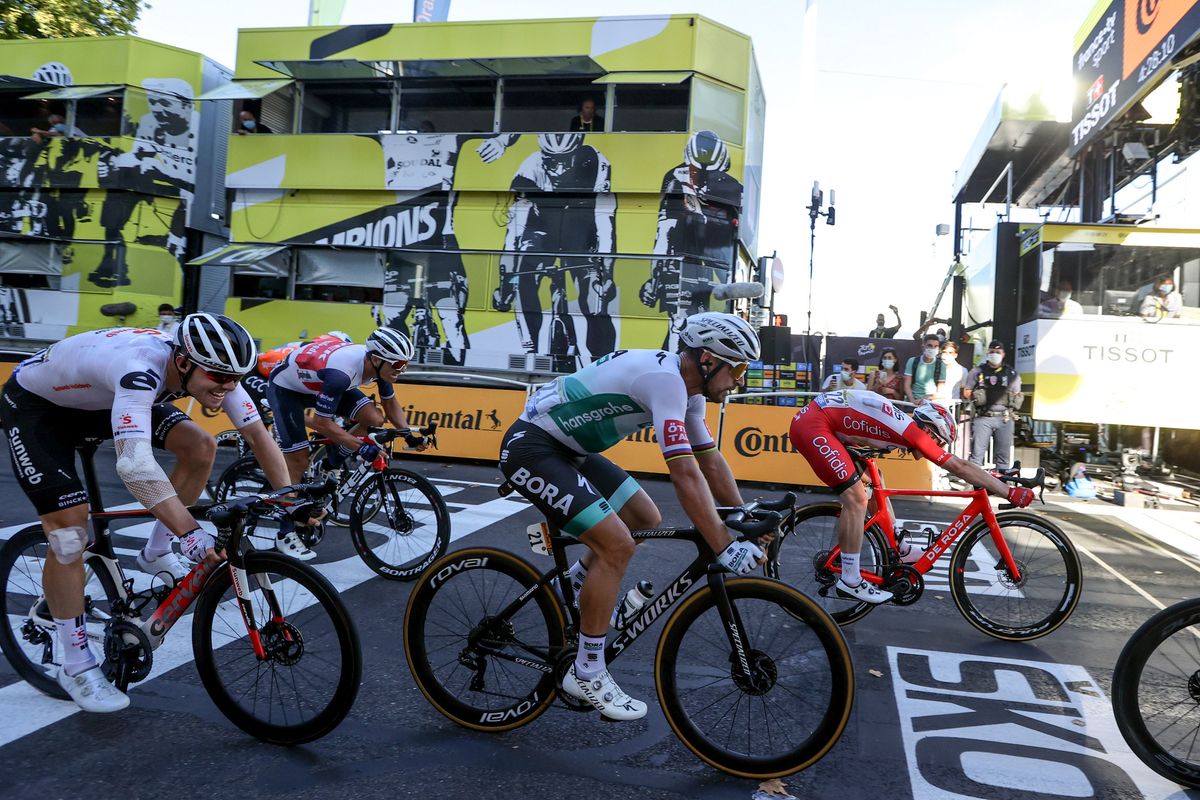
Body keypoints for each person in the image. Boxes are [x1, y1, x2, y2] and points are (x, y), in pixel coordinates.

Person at [0, 314, 295, 712]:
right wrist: (190, 533)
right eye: (218, 376)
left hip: (97, 399)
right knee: (69, 534)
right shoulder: (140, 368)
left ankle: (156, 552)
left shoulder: (215, 374)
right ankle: (76, 665)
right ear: (184, 362)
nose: (226, 387)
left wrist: (291, 500)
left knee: (200, 446)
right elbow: (134, 467)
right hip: (39, 408)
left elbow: (258, 435)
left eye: (234, 378)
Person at [499, 312, 763, 721]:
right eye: (739, 367)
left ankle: (580, 586)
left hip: (571, 451)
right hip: (531, 447)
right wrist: (724, 545)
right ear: (708, 360)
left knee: (643, 516)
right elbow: (684, 472)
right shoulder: (665, 382)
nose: (740, 380)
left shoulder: (688, 392)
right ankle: (586, 671)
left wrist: (741, 517)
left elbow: (709, 460)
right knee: (616, 545)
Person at [788, 390, 1034, 603]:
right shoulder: (912, 432)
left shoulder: (905, 426)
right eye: (939, 440)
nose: (938, 447)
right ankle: (850, 580)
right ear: (928, 429)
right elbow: (958, 467)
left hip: (821, 421)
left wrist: (994, 479)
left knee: (876, 479)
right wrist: (1009, 492)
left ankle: (899, 547)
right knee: (856, 500)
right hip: (813, 425)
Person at [266, 327, 421, 559]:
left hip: (318, 383)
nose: (403, 369)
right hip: (286, 390)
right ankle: (284, 533)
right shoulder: (342, 373)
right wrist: (360, 446)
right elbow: (323, 422)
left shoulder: (379, 366)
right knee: (298, 460)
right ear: (377, 359)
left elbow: (389, 403)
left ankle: (332, 462)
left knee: (374, 418)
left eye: (405, 364)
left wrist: (408, 434)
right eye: (398, 364)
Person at [493, 132, 616, 367]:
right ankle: (530, 350)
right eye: (551, 161)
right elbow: (514, 234)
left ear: (576, 154)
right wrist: (505, 280)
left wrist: (606, 271)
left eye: (565, 161)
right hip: (542, 228)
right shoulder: (528, 169)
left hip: (580, 224)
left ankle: (602, 360)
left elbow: (605, 221)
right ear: (542, 155)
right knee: (522, 277)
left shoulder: (596, 163)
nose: (558, 169)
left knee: (593, 297)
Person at [637, 130, 744, 350]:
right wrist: (654, 278)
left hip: (715, 265)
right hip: (682, 262)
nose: (702, 178)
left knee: (709, 329)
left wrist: (731, 286)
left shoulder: (734, 189)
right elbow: (664, 230)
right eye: (695, 171)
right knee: (680, 324)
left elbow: (734, 243)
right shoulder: (674, 178)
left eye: (710, 174)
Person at [963, 340, 1023, 470]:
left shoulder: (1011, 374)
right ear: (987, 353)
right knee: (976, 456)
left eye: (997, 352)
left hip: (1004, 418)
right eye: (992, 352)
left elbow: (1017, 394)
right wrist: (978, 396)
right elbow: (967, 392)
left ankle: (1001, 486)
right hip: (983, 417)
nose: (994, 354)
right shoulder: (978, 372)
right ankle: (975, 486)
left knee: (1003, 457)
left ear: (1003, 354)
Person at [903, 334, 945, 403]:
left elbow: (941, 391)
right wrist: (912, 400)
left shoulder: (941, 364)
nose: (932, 349)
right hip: (913, 402)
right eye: (929, 345)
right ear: (923, 346)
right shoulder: (912, 361)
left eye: (935, 346)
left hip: (931, 403)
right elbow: (906, 385)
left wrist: (928, 398)